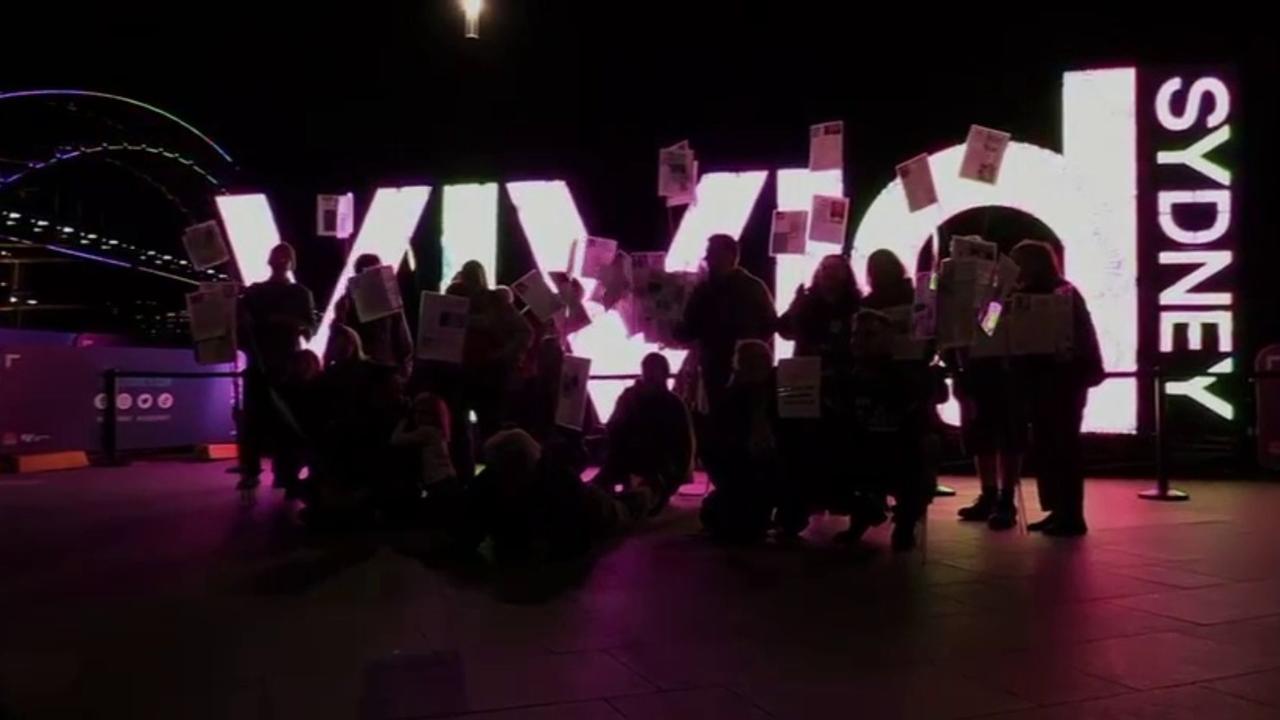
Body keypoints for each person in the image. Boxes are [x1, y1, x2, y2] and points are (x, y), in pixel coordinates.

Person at [826, 310, 944, 550]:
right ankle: (862, 514)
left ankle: (905, 523)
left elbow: (934, 398)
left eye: (868, 335)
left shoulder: (906, 377)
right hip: (858, 451)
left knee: (921, 458)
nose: (858, 341)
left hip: (898, 453)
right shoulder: (842, 378)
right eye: (856, 335)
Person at [1011, 240, 1104, 537]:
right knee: (1047, 446)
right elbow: (988, 325)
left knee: (1063, 446)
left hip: (1063, 379)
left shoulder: (1063, 293)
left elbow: (1077, 335)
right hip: (1043, 379)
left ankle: (1071, 514)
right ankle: (1058, 510)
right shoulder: (1030, 293)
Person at [459, 429, 649, 564]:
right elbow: (469, 527)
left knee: (623, 511)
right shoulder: (490, 482)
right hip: (583, 501)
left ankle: (646, 492)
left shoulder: (559, 483)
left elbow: (576, 541)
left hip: (593, 507)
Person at [444, 261, 534, 480]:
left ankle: (496, 476)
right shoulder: (455, 299)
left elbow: (524, 331)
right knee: (459, 429)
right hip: (462, 373)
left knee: (490, 427)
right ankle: (466, 476)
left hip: (490, 375)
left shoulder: (495, 301)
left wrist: (504, 355)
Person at [237, 243, 316, 491]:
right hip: (259, 364)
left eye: (286, 256)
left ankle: (284, 473)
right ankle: (251, 472)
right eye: (278, 256)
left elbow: (309, 328)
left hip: (287, 367)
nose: (281, 260)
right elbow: (241, 329)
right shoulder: (255, 293)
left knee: (285, 424)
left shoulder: (300, 293)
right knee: (253, 423)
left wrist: (286, 322)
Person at [675, 234, 776, 413]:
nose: (707, 258)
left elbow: (688, 329)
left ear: (729, 255)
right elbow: (769, 325)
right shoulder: (750, 287)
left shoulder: (706, 291)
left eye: (711, 253)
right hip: (724, 368)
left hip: (737, 368)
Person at [699, 339, 781, 543]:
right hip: (741, 472)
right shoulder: (730, 401)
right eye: (749, 361)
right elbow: (714, 446)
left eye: (759, 360)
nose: (755, 365)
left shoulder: (779, 394)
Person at [595, 353, 695, 513]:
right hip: (629, 457)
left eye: (654, 373)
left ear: (665, 375)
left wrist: (671, 474)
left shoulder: (673, 405)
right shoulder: (630, 397)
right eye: (647, 373)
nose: (650, 378)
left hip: (661, 467)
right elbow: (614, 427)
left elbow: (682, 448)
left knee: (645, 498)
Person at [332, 253, 413, 376]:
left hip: (359, 367)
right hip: (382, 365)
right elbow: (403, 341)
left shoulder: (345, 302)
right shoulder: (389, 301)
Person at [778, 254, 862, 365]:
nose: (829, 272)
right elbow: (784, 330)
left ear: (846, 274)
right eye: (824, 268)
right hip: (807, 369)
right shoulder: (806, 302)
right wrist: (796, 307)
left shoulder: (855, 305)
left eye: (835, 268)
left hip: (844, 369)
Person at [391, 392, 460, 525]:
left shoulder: (427, 431)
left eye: (423, 412)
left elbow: (395, 440)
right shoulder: (439, 432)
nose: (417, 416)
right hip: (448, 480)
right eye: (416, 412)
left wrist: (403, 420)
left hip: (439, 483)